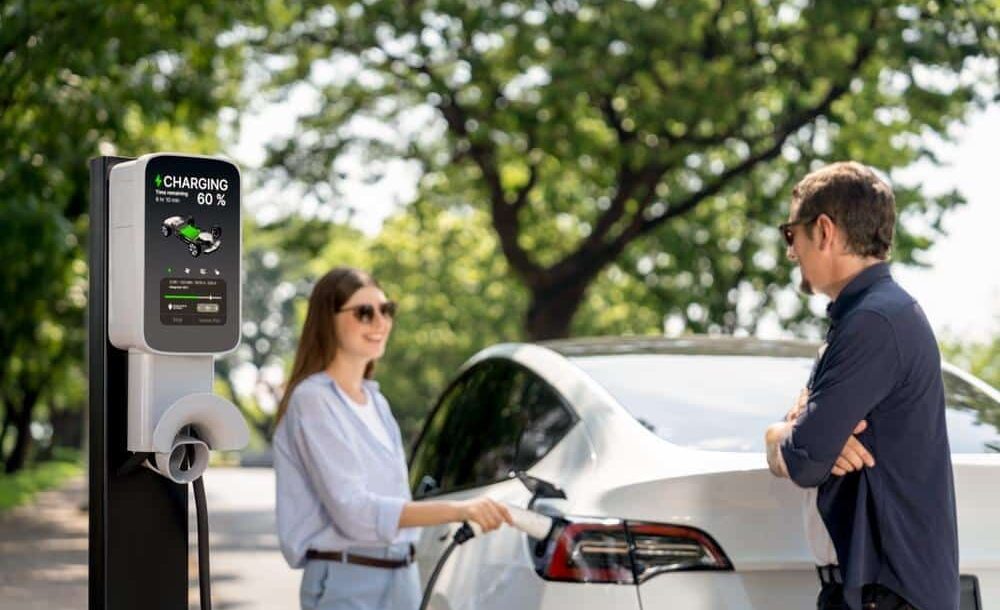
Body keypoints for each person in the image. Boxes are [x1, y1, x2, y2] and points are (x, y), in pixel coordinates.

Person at [764, 162, 959, 610]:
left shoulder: (873, 321)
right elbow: (814, 445)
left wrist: (780, 436)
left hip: (886, 597)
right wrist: (802, 434)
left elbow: (806, 459)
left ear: (825, 231)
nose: (791, 252)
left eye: (791, 235)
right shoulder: (875, 316)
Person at [273, 267, 513, 610]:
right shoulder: (312, 400)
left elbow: (391, 499)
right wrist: (458, 510)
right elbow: (353, 511)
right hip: (348, 580)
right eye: (364, 313)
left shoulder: (376, 401)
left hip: (403, 576)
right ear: (328, 320)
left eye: (386, 310)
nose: (380, 323)